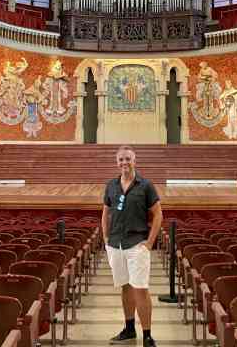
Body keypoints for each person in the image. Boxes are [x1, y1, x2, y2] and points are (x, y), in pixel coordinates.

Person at [102, 147, 163, 347]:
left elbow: (158, 214)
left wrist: (150, 242)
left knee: (140, 288)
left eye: (127, 159)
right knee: (125, 287)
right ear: (116, 162)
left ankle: (147, 335)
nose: (124, 162)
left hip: (137, 244)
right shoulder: (111, 185)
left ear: (134, 161)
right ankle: (129, 329)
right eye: (121, 159)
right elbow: (105, 213)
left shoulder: (146, 186)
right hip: (116, 244)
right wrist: (105, 238)